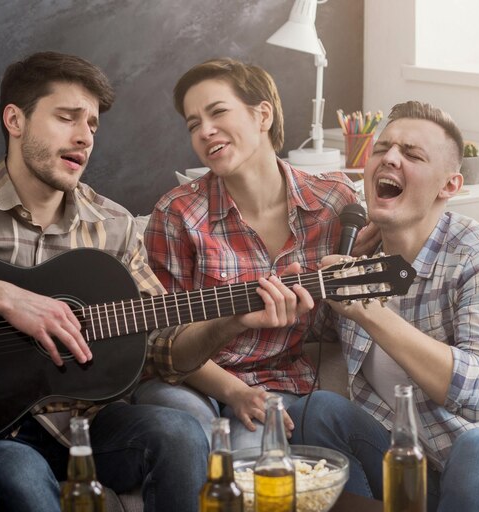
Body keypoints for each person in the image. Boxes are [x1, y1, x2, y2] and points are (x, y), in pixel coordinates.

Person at [0, 51, 314, 512]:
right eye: (66, 118)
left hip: (83, 423)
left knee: (177, 433)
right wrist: (10, 299)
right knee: (21, 473)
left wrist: (230, 321)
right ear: (15, 119)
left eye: (92, 125)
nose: (83, 137)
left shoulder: (111, 224)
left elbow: (163, 348)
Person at [287, 100, 479, 511]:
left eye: (412, 154)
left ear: (449, 186)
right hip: (423, 474)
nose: (389, 158)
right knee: (317, 410)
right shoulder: (361, 257)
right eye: (382, 149)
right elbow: (306, 330)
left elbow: (478, 391)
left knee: (478, 448)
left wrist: (367, 309)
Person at [135, 57, 378, 450]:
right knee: (191, 432)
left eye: (217, 112)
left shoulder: (334, 201)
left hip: (282, 382)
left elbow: (345, 313)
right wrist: (235, 392)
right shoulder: (177, 214)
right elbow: (163, 341)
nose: (205, 131)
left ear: (262, 114)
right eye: (194, 124)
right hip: (192, 381)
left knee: (263, 455)